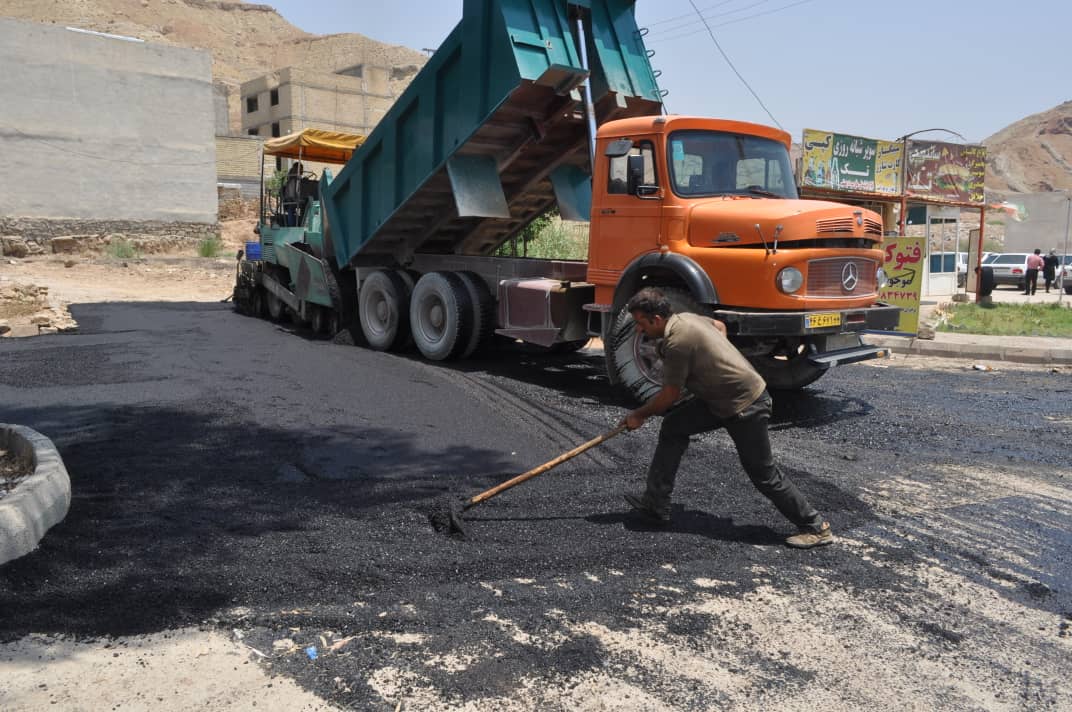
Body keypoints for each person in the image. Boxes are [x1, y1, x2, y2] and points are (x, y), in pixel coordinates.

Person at [620, 287, 832, 549]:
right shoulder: (688, 319)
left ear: (657, 320)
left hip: (746, 405)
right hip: (718, 400)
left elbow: (668, 397)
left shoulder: (677, 341)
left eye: (641, 323)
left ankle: (815, 526)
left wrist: (638, 416)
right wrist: (718, 361)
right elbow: (719, 326)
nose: (639, 330)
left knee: (764, 474)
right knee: (674, 426)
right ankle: (655, 504)